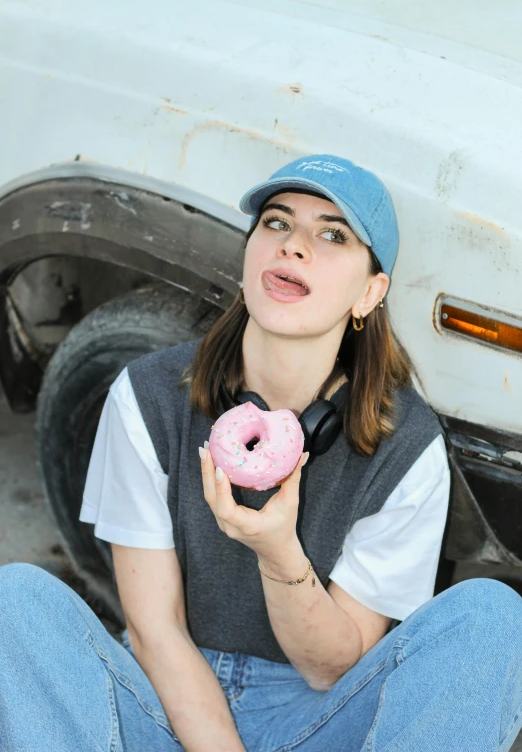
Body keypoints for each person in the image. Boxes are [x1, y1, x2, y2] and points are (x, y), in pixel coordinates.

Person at [1, 155, 522, 752]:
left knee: (492, 616)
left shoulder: (406, 447)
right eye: (276, 223)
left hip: (320, 716)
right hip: (167, 695)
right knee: (14, 601)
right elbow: (155, 630)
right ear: (248, 257)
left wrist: (278, 554)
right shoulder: (147, 397)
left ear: (370, 292)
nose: (294, 245)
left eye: (332, 234)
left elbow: (332, 669)